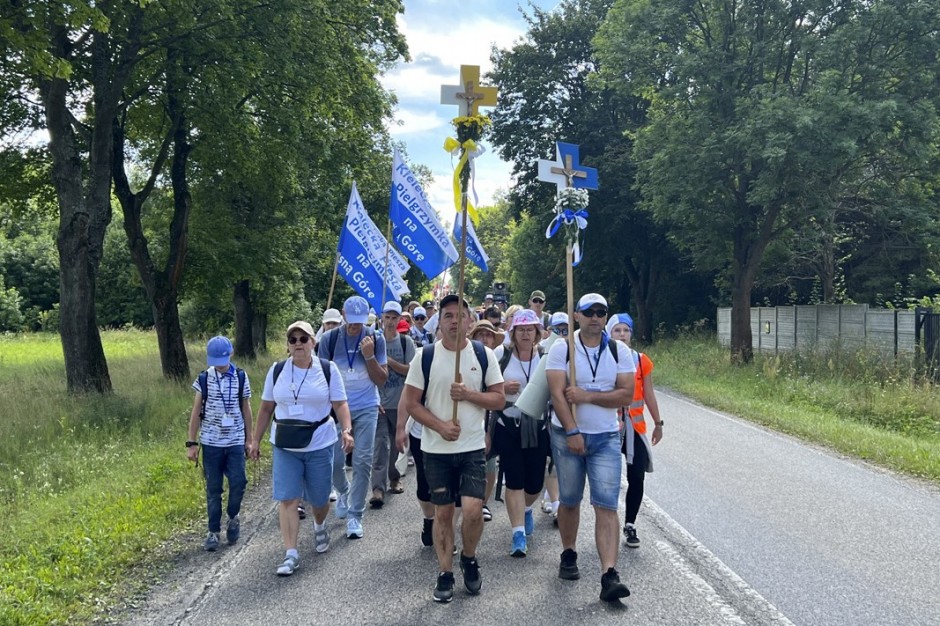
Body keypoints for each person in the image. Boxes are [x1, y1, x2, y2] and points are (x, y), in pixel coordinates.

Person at [402, 294, 505, 603]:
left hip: (472, 447)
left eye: (460, 315)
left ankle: (469, 558)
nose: (454, 321)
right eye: (447, 316)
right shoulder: (425, 357)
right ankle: (445, 572)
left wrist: (470, 395)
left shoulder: (483, 355)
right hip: (436, 449)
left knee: (473, 511)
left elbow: (499, 399)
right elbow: (410, 403)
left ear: (469, 321)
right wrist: (441, 426)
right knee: (443, 514)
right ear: (440, 322)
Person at [545, 293, 635, 602]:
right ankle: (568, 552)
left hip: (607, 436)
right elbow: (557, 394)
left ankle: (609, 574)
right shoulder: (562, 349)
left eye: (601, 312)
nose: (595, 317)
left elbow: (626, 395)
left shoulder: (619, 350)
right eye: (589, 311)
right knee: (569, 500)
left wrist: (588, 396)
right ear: (576, 315)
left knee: (606, 504)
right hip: (567, 435)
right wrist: (572, 430)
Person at [249, 321, 354, 576]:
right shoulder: (277, 371)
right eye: (293, 340)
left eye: (303, 339)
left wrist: (347, 430)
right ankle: (291, 553)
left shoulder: (328, 370)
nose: (298, 344)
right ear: (288, 345)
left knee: (319, 499)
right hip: (285, 444)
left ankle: (319, 524)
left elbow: (340, 404)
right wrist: (255, 440)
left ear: (312, 343)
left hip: (319, 442)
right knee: (287, 498)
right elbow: (265, 408)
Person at [318, 295, 388, 539]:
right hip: (337, 408)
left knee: (362, 460)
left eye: (360, 321)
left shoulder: (376, 338)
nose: (356, 326)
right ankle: (344, 491)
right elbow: (322, 378)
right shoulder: (329, 339)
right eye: (352, 320)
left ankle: (355, 515)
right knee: (335, 461)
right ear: (343, 315)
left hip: (367, 405)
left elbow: (381, 379)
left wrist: (368, 355)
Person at [491, 310, 550, 557]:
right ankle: (517, 533)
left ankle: (526, 509)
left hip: (538, 426)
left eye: (530, 329)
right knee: (514, 478)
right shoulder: (500, 355)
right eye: (521, 329)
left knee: (535, 482)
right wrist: (503, 387)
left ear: (537, 333)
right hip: (508, 425)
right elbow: (487, 386)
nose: (526, 334)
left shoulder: (547, 356)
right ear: (512, 332)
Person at [186, 336, 253, 552]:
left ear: (230, 354)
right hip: (211, 442)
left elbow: (246, 409)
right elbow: (196, 411)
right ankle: (213, 531)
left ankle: (233, 516)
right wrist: (192, 443)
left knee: (239, 482)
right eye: (215, 359)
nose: (219, 363)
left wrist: (249, 439)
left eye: (222, 358)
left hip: (234, 441)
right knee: (213, 489)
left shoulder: (241, 377)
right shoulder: (204, 379)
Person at [606, 313, 663, 548]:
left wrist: (658, 423)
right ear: (609, 334)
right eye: (617, 330)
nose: (622, 335)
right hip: (609, 427)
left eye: (625, 330)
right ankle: (607, 524)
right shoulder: (604, 358)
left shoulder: (641, 360)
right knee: (608, 479)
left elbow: (648, 393)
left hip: (635, 428)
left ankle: (630, 523)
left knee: (637, 477)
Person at [371, 301, 416, 507]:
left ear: (400, 319)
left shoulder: (406, 343)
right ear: (381, 318)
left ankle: (394, 478)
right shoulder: (373, 341)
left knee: (397, 444)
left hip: (399, 402)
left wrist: (390, 362)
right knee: (380, 445)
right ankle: (378, 489)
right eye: (387, 317)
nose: (390, 322)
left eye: (394, 318)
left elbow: (411, 371)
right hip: (378, 402)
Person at [467, 319, 506, 522]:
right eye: (480, 334)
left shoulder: (499, 359)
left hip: (493, 416)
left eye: (489, 334)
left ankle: (483, 502)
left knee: (490, 463)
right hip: (469, 416)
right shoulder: (465, 358)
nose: (485, 338)